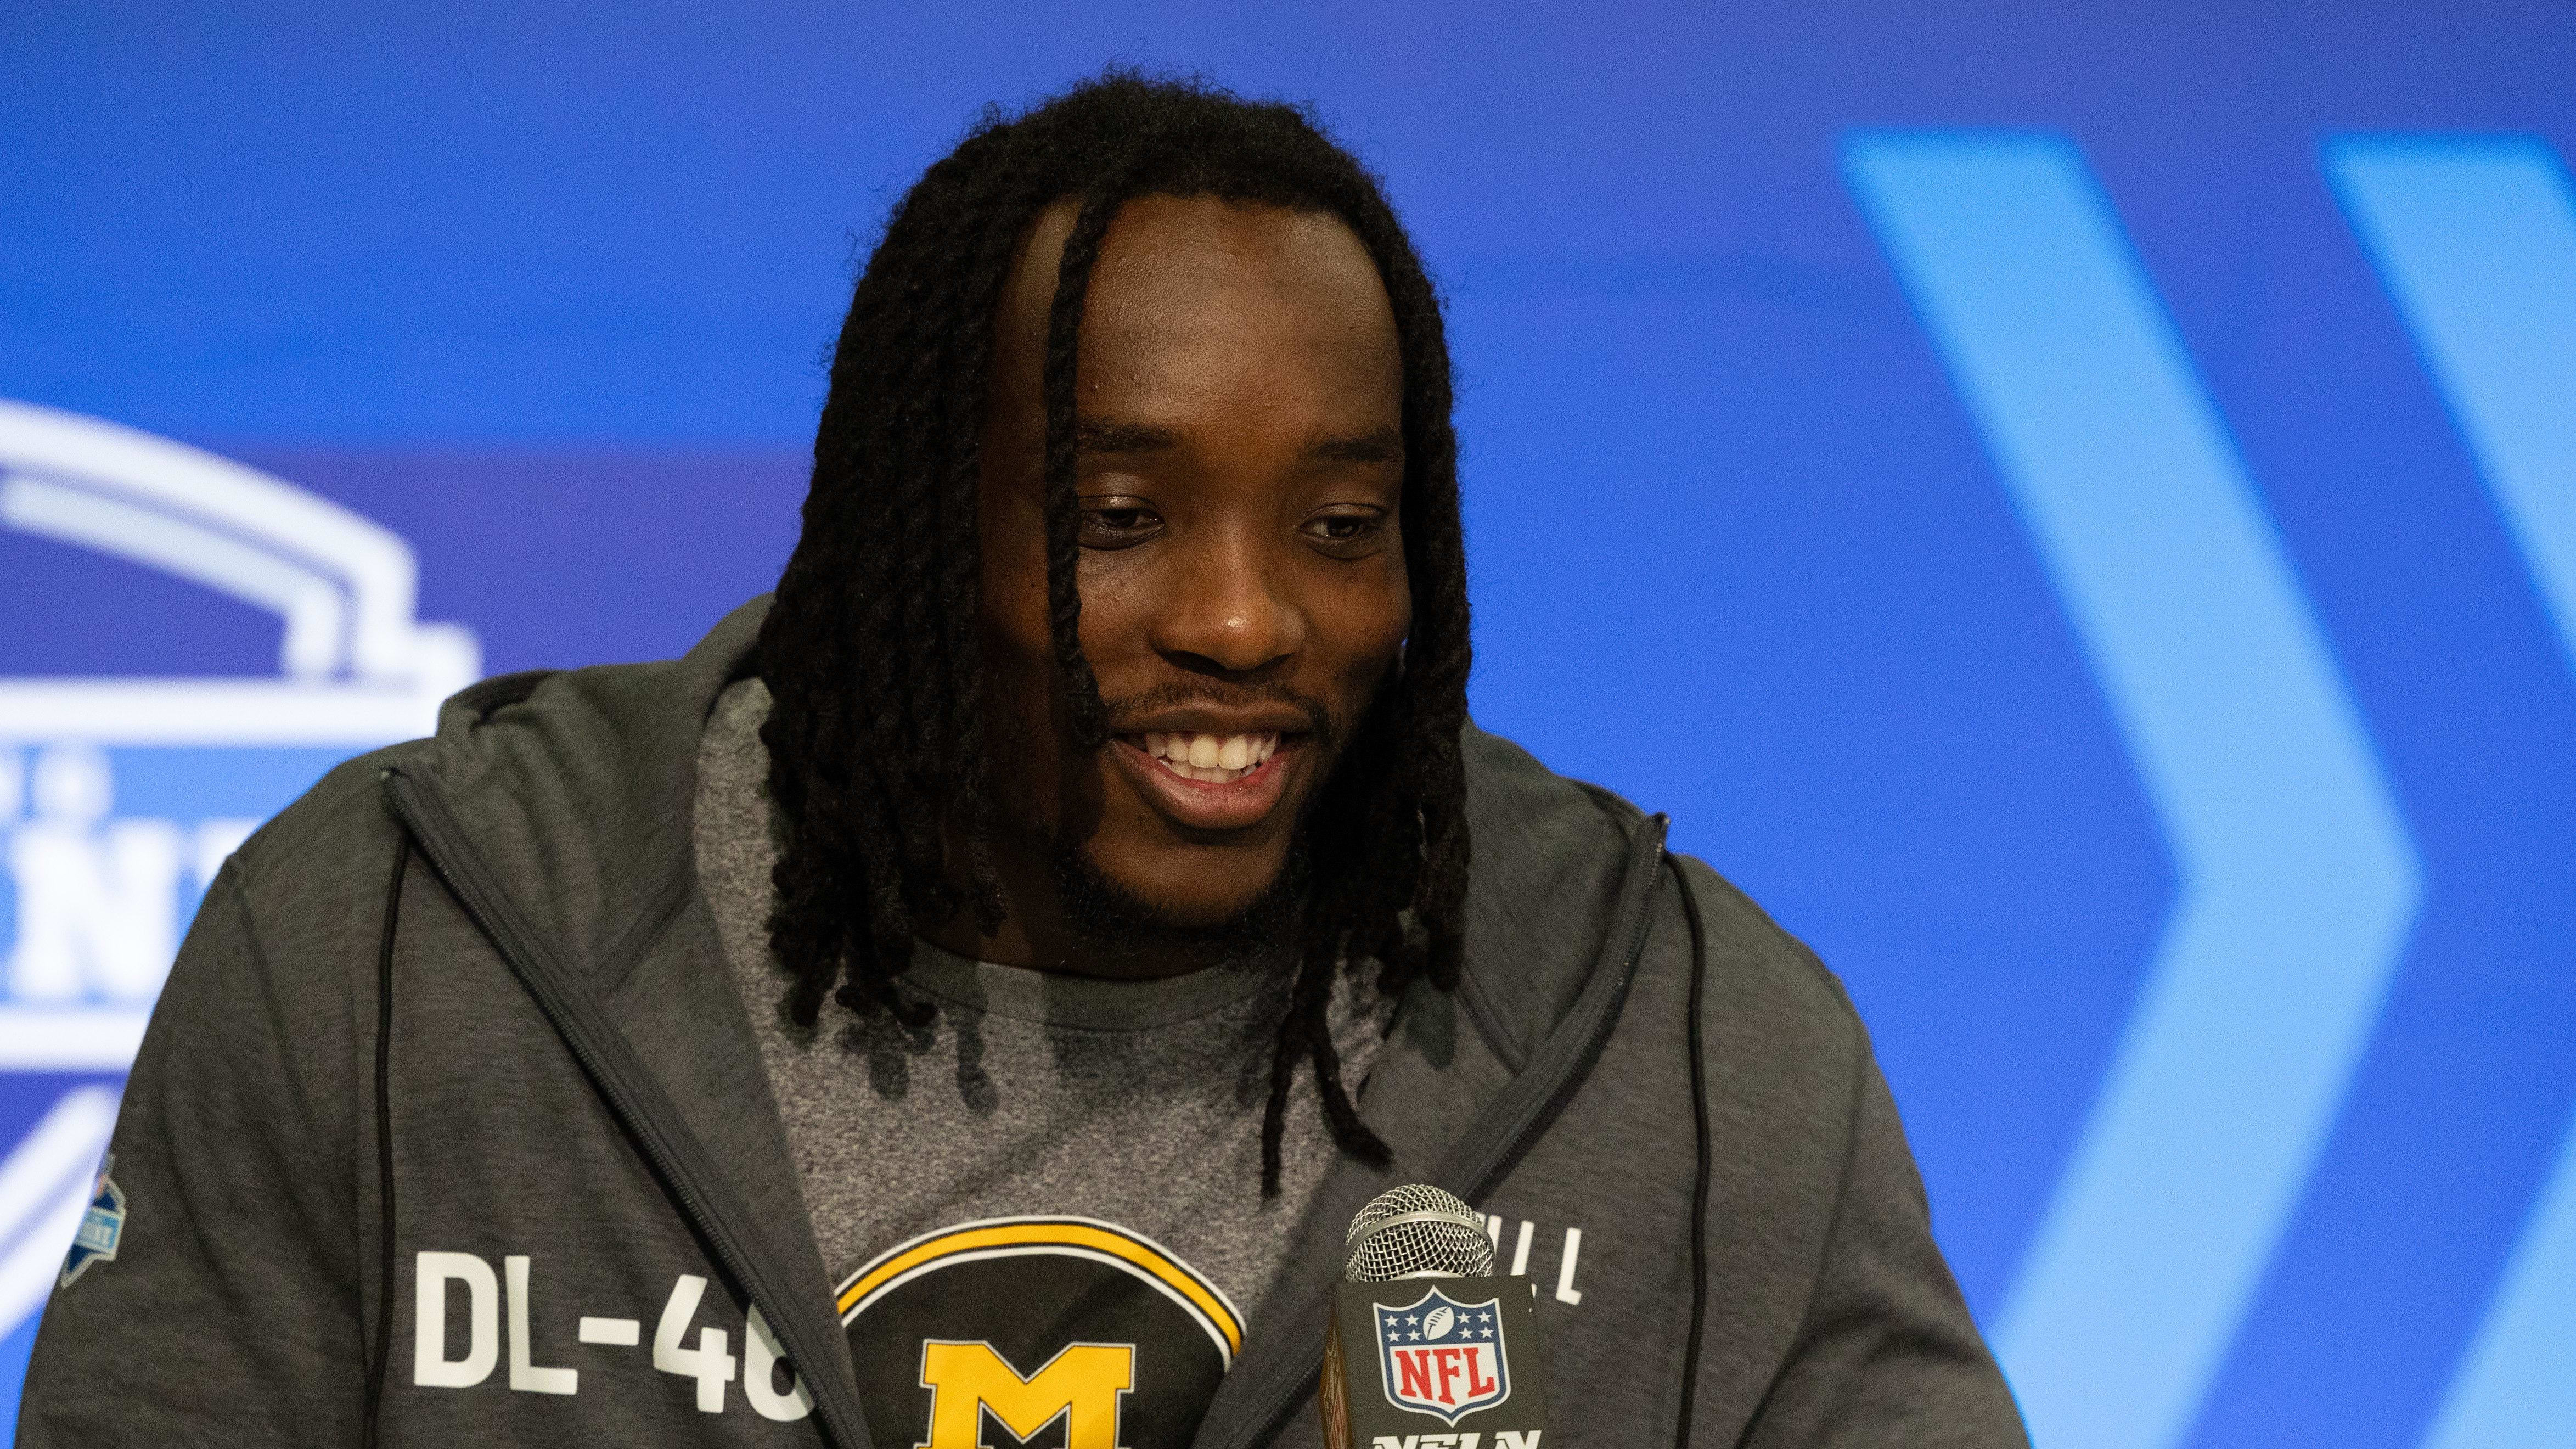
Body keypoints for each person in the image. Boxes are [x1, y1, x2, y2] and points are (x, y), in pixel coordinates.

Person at [18, 72, 2026, 1448]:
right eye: (1118, 513)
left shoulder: (1674, 1038)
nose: (1248, 619)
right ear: (912, 531)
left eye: (1342, 526)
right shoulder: (402, 951)